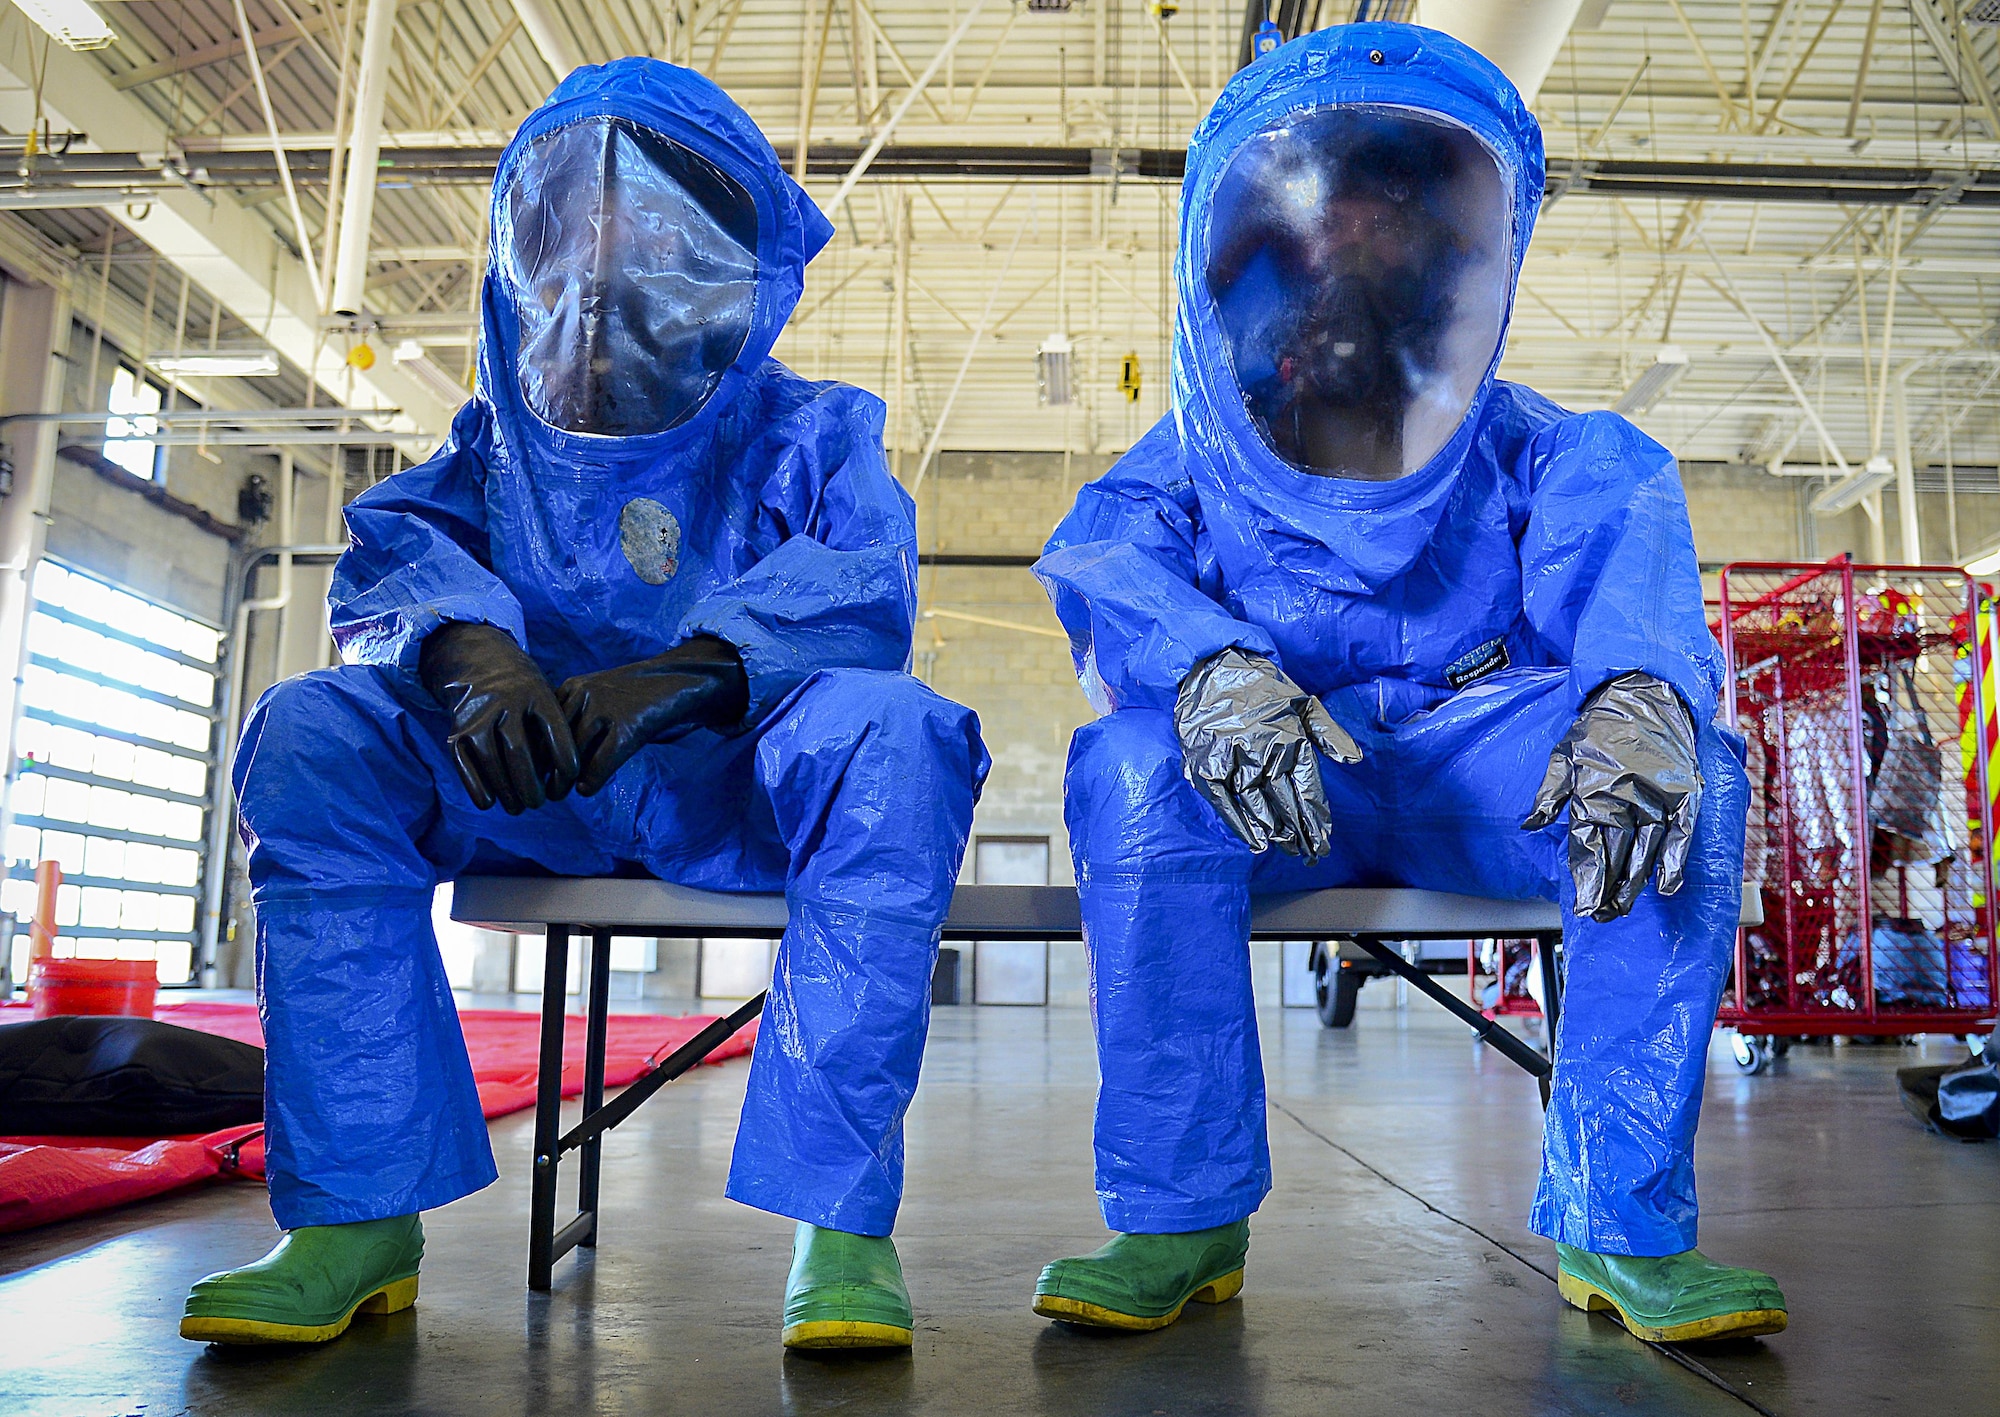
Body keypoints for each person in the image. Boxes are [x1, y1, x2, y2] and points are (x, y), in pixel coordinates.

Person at [181, 58, 988, 1352]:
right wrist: (470, 656)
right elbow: (395, 560)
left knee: (898, 738)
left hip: (732, 780)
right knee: (311, 735)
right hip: (523, 780)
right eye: (577, 232)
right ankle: (356, 1218)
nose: (608, 274)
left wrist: (684, 676)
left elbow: (861, 587)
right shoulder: (490, 444)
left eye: (655, 237)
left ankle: (840, 1229)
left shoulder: (810, 434)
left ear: (728, 268)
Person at [1032, 23, 1786, 1346]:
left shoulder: (1554, 450)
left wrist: (1638, 701)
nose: (1362, 243)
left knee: (1684, 779)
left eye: (1397, 208)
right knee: (1133, 770)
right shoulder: (1190, 457)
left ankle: (1623, 1226)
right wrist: (1210, 670)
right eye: (1339, 209)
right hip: (1276, 776)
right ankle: (1179, 1216)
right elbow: (1109, 561)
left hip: (1483, 762)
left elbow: (1627, 587)